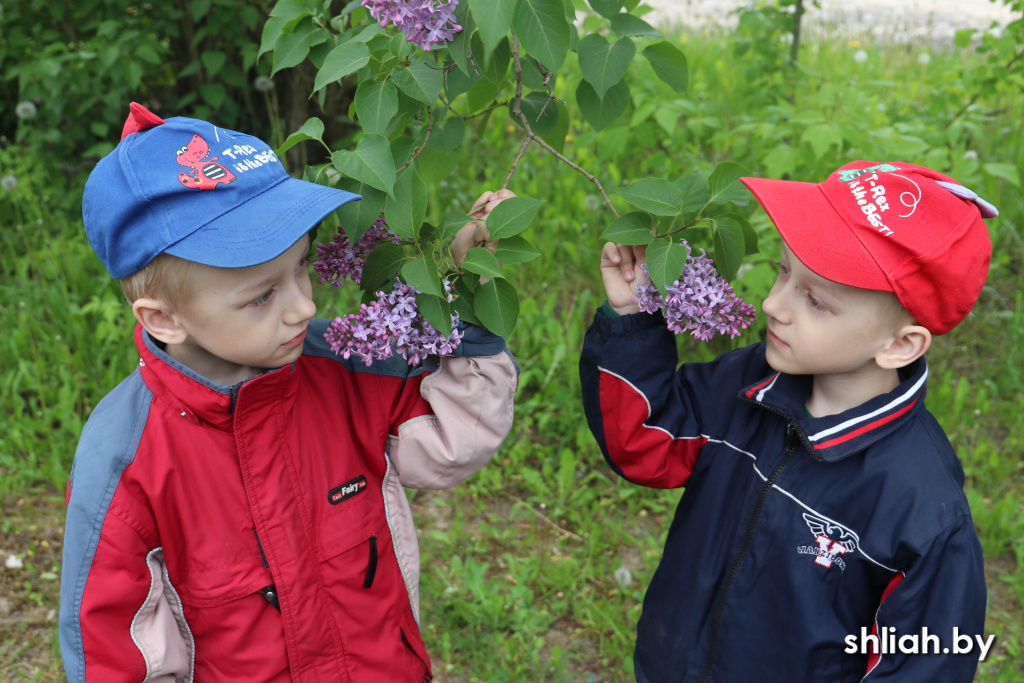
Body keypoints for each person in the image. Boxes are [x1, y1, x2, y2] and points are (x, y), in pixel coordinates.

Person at [59, 102, 519, 682]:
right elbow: (114, 655)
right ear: (164, 319)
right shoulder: (124, 460)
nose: (305, 305)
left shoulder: (349, 370)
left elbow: (457, 437)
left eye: (301, 267)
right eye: (262, 296)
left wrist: (464, 295)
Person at [581, 160, 996, 682]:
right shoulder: (749, 383)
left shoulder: (921, 506)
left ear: (898, 345)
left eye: (816, 301)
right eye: (783, 270)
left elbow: (926, 663)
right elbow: (646, 443)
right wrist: (632, 317)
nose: (772, 304)